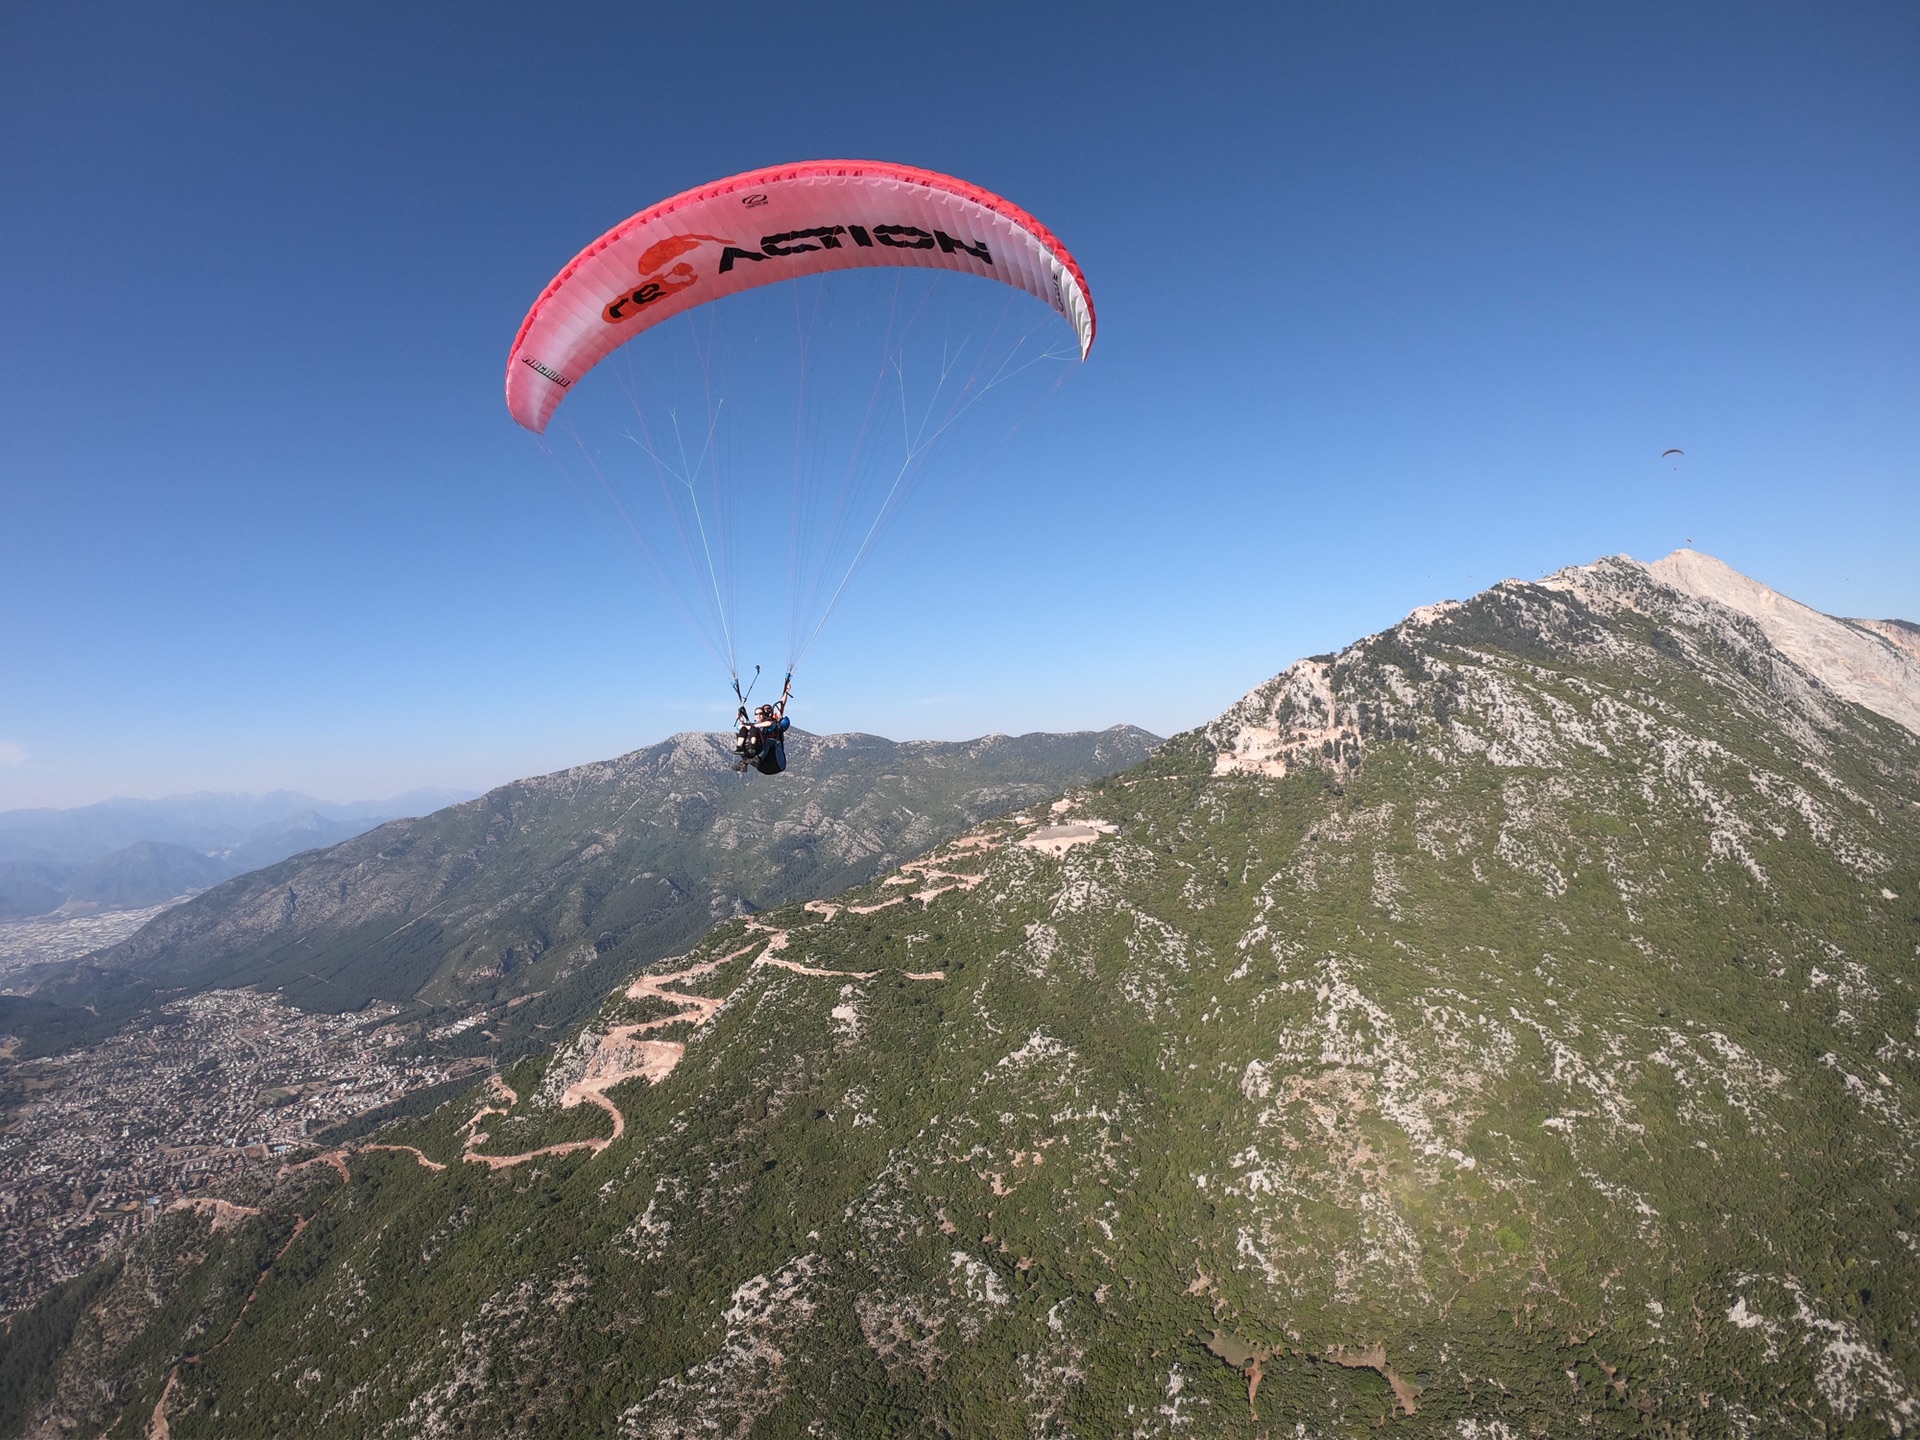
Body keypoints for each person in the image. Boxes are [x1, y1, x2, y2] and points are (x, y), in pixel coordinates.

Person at [733, 684, 792, 775]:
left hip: (776, 762)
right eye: (765, 710)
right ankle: (744, 763)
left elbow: (781, 706)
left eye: (769, 709)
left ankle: (758, 758)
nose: (767, 711)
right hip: (763, 764)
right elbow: (740, 727)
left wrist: (786, 692)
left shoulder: (773, 723)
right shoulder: (755, 726)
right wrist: (741, 720)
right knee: (747, 738)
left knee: (770, 741)